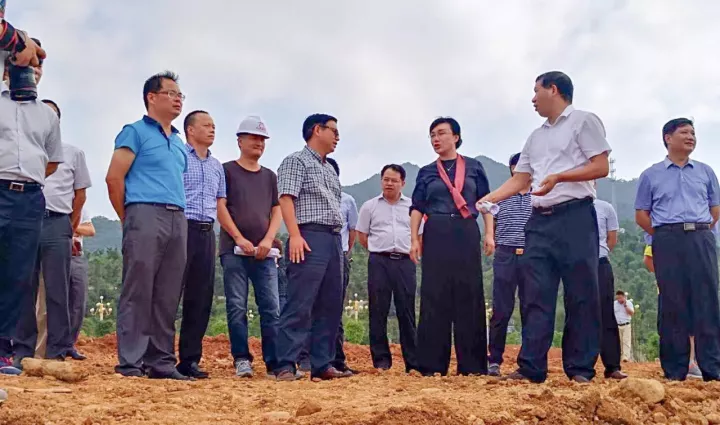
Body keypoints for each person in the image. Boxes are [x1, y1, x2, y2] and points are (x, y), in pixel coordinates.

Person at [479, 71, 611, 383]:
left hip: (575, 216)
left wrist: (560, 177)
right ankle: (531, 367)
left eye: (536, 91)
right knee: (535, 294)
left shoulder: (583, 121)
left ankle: (580, 369)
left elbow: (601, 165)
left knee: (581, 293)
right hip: (538, 220)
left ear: (553, 89)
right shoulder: (535, 137)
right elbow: (521, 179)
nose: (533, 99)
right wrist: (489, 198)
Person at [106, 71, 190, 380]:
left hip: (177, 216)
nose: (178, 99)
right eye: (171, 93)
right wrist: (127, 217)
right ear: (151, 97)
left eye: (180, 95)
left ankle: (161, 361)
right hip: (144, 212)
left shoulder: (179, 143)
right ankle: (131, 361)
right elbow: (114, 178)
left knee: (168, 292)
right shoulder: (134, 132)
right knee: (138, 289)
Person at [635, 117, 720, 381]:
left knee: (707, 300)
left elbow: (715, 209)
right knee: (672, 301)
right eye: (684, 132)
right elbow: (641, 215)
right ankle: (674, 369)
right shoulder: (651, 175)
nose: (690, 137)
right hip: (666, 240)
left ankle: (712, 367)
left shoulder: (706, 172)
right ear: (668, 138)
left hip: (701, 237)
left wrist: (699, 231)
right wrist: (663, 236)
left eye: (693, 132)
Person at [409, 117, 494, 376]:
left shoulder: (474, 167)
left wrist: (489, 234)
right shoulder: (426, 172)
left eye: (441, 133)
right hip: (436, 231)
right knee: (434, 293)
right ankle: (432, 364)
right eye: (432, 135)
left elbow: (486, 203)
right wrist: (414, 238)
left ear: (456, 137)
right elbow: (417, 207)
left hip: (466, 230)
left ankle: (472, 365)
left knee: (470, 293)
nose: (436, 139)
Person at [13, 97, 91, 366]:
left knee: (59, 290)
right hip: (26, 222)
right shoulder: (19, 152)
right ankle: (22, 350)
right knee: (24, 287)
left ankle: (57, 350)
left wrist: (70, 225)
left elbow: (80, 194)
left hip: (57, 223)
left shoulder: (73, 153)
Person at [273, 114, 348, 381]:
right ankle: (285, 364)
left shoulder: (329, 169)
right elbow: (286, 198)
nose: (337, 137)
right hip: (308, 236)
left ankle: (322, 364)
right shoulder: (296, 161)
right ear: (317, 130)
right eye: (333, 131)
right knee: (300, 301)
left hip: (333, 238)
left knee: (330, 303)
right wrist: (294, 235)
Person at [0, 53, 62, 375]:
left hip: (30, 197)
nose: (32, 71)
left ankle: (2, 352)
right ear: (7, 70)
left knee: (18, 275)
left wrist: (26, 178)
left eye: (37, 66)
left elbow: (52, 160)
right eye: (24, 65)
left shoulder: (47, 115)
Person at [217, 115, 281, 379]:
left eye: (262, 139)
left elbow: (277, 210)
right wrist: (238, 238)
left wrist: (268, 239)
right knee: (237, 306)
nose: (259, 143)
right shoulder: (226, 171)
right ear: (239, 141)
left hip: (265, 254)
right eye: (253, 138)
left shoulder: (270, 177)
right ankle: (242, 359)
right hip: (234, 252)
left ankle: (275, 363)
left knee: (271, 307)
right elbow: (220, 206)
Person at [177, 110, 226, 380]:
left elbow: (221, 203)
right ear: (190, 130)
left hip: (208, 232)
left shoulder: (217, 166)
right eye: (206, 125)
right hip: (181, 228)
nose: (212, 129)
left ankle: (189, 360)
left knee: (201, 297)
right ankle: (157, 355)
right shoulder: (179, 157)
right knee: (170, 294)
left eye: (214, 125)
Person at [357, 164, 419, 372]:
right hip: (379, 261)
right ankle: (381, 361)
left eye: (394, 180)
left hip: (405, 261)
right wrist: (378, 249)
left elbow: (419, 235)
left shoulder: (412, 207)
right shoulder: (370, 206)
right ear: (381, 181)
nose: (389, 183)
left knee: (406, 310)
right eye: (386, 179)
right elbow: (362, 235)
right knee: (378, 310)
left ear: (403, 183)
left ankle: (413, 362)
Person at [487, 153, 532, 377]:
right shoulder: (502, 196)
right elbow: (490, 219)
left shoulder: (540, 195)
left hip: (532, 256)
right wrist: (491, 238)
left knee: (530, 308)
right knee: (501, 309)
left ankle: (529, 360)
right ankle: (494, 360)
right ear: (512, 169)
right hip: (505, 253)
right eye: (516, 166)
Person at [643, 232, 702, 378]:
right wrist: (665, 275)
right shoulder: (662, 234)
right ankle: (678, 364)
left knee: (689, 324)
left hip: (688, 287)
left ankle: (690, 363)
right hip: (670, 289)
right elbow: (648, 259)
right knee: (671, 325)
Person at [594, 195, 627, 379]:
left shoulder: (605, 208)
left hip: (600, 262)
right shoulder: (568, 207)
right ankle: (580, 367)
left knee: (606, 313)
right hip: (576, 266)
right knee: (579, 313)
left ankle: (612, 366)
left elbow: (611, 240)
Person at [68, 208, 95, 360]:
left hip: (76, 255)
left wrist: (68, 227)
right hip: (53, 254)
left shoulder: (80, 208)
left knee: (78, 303)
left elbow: (90, 230)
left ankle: (69, 344)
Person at [614, 290, 634, 363]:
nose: (619, 300)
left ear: (624, 297)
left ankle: (625, 357)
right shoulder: (614, 304)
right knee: (619, 342)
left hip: (626, 324)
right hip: (617, 325)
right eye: (617, 298)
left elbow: (631, 313)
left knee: (626, 341)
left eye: (620, 298)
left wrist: (625, 306)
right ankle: (620, 356)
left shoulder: (629, 303)